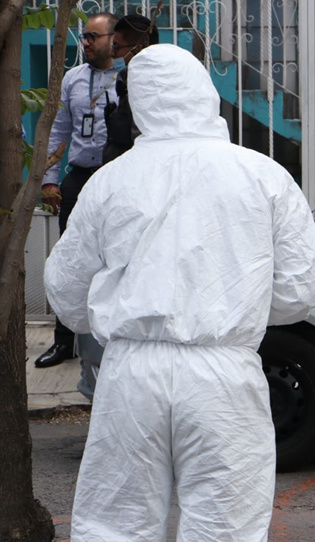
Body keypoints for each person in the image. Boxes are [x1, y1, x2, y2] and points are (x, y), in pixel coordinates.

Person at [44, 44, 315, 540]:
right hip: (222, 370)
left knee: (116, 524)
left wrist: (109, 315)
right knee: (225, 525)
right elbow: (301, 289)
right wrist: (240, 307)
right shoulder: (262, 175)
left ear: (140, 104)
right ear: (205, 95)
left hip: (131, 372)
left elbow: (66, 291)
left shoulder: (110, 181)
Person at [74, 13, 161, 401]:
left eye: (119, 46)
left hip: (134, 190)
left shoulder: (149, 80)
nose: (115, 53)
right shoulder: (116, 78)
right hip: (109, 179)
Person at [35, 12, 120, 369]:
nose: (85, 42)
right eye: (83, 36)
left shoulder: (129, 78)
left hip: (116, 179)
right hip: (80, 176)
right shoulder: (73, 78)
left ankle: (113, 341)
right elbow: (57, 132)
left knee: (116, 256)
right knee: (70, 257)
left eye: (93, 37)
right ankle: (63, 341)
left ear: (114, 40)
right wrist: (50, 179)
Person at [102, 13, 159, 164]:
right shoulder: (126, 79)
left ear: (137, 49)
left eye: (116, 47)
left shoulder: (152, 86)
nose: (112, 53)